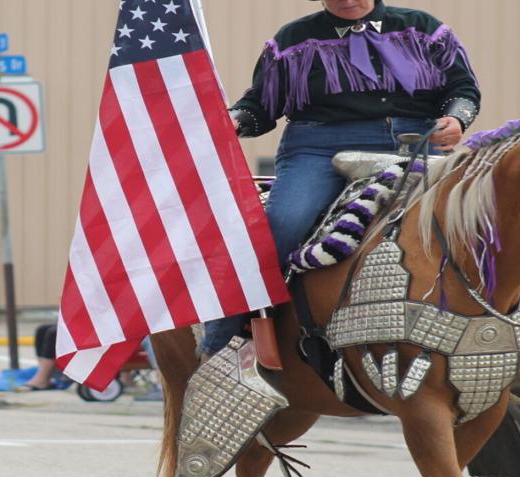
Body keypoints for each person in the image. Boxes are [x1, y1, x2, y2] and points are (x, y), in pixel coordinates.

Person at [203, 0, 482, 356]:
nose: (347, 0)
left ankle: (515, 334)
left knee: (479, 224)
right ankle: (224, 342)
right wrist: (236, 120)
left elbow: (462, 89)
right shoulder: (293, 39)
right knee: (283, 225)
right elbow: (261, 104)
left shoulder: (422, 28)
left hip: (415, 141)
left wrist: (457, 118)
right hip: (320, 147)